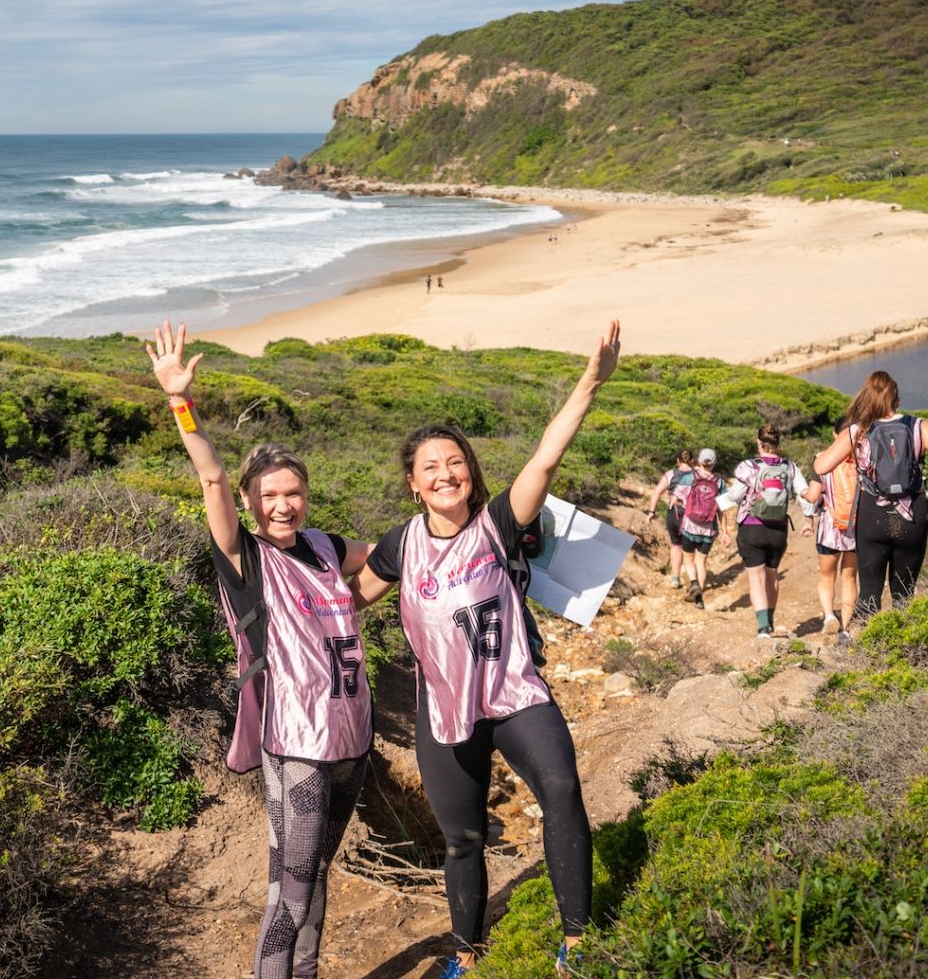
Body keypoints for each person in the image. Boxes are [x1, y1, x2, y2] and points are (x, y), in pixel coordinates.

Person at [354, 320, 621, 979]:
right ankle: (468, 953)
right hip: (445, 715)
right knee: (464, 838)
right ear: (413, 485)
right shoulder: (400, 544)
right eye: (430, 468)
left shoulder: (498, 525)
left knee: (560, 788)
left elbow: (545, 460)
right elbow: (347, 599)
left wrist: (590, 382)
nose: (446, 474)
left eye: (455, 462)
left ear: (469, 472)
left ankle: (578, 940)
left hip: (515, 696)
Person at [147, 320, 374, 979]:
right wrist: (179, 402)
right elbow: (213, 480)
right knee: (290, 893)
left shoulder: (327, 546)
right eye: (269, 496)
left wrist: (468, 520)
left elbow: (392, 559)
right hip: (295, 743)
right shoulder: (243, 557)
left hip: (351, 738)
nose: (283, 506)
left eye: (292, 493)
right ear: (250, 504)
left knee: (318, 880)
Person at [814, 371, 928, 622]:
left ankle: (868, 654)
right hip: (913, 516)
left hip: (871, 517)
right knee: (904, 594)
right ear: (896, 398)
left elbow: (821, 466)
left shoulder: (858, 430)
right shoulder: (918, 425)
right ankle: (903, 653)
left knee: (869, 593)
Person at [718, 424, 816, 641]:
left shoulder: (748, 466)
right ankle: (770, 621)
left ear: (758, 442)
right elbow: (804, 493)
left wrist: (720, 503)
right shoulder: (790, 467)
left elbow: (735, 496)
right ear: (777, 443)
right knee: (772, 576)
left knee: (756, 578)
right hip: (778, 530)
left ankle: (763, 629)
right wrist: (808, 518)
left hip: (751, 527)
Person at [802, 421, 859, 643]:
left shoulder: (823, 459)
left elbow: (814, 496)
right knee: (849, 578)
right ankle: (845, 629)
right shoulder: (863, 461)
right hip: (855, 529)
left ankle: (828, 616)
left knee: (827, 576)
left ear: (835, 434)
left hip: (830, 528)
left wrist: (805, 495)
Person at [676, 448, 723, 608]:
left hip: (690, 526)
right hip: (708, 529)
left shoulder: (690, 477)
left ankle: (694, 583)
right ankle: (699, 600)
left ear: (698, 461)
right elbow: (723, 509)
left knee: (688, 560)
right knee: (701, 562)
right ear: (714, 463)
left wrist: (685, 504)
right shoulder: (720, 482)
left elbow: (676, 498)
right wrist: (725, 531)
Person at [647, 449, 697, 588]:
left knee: (676, 545)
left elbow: (657, 492)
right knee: (692, 547)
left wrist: (652, 511)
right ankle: (693, 579)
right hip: (692, 516)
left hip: (674, 514)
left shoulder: (670, 474)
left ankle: (675, 578)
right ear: (692, 460)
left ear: (677, 460)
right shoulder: (697, 475)